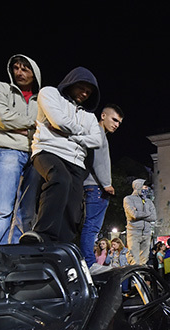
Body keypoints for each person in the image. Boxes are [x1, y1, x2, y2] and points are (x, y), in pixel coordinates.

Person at [19, 67, 101, 244]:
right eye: (81, 87)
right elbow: (59, 121)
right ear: (71, 82)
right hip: (48, 150)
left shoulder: (90, 116)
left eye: (89, 91)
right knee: (59, 179)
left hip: (77, 161)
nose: (85, 94)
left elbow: (97, 141)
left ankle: (64, 244)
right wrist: (82, 133)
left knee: (73, 203)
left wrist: (70, 135)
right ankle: (43, 233)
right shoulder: (50, 93)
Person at [0, 54, 42, 244]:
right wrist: (34, 124)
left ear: (35, 73)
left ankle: (17, 255)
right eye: (16, 68)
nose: (19, 72)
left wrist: (25, 129)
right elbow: (2, 119)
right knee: (1, 210)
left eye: (25, 69)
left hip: (34, 155)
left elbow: (48, 128)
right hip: (6, 150)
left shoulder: (41, 99)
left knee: (27, 212)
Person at [80, 104, 124, 267]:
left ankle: (88, 261)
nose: (116, 125)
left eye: (119, 122)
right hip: (96, 187)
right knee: (92, 227)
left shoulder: (99, 134)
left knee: (91, 227)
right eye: (114, 119)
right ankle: (90, 263)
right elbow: (98, 161)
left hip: (93, 186)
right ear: (103, 116)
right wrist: (107, 184)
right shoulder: (98, 133)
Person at [124, 178, 157, 264]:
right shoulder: (128, 199)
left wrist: (139, 213)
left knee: (144, 260)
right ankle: (134, 276)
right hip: (134, 232)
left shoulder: (149, 201)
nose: (146, 189)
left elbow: (153, 217)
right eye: (144, 186)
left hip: (146, 233)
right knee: (134, 259)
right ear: (138, 186)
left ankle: (141, 277)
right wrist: (147, 213)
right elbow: (134, 215)